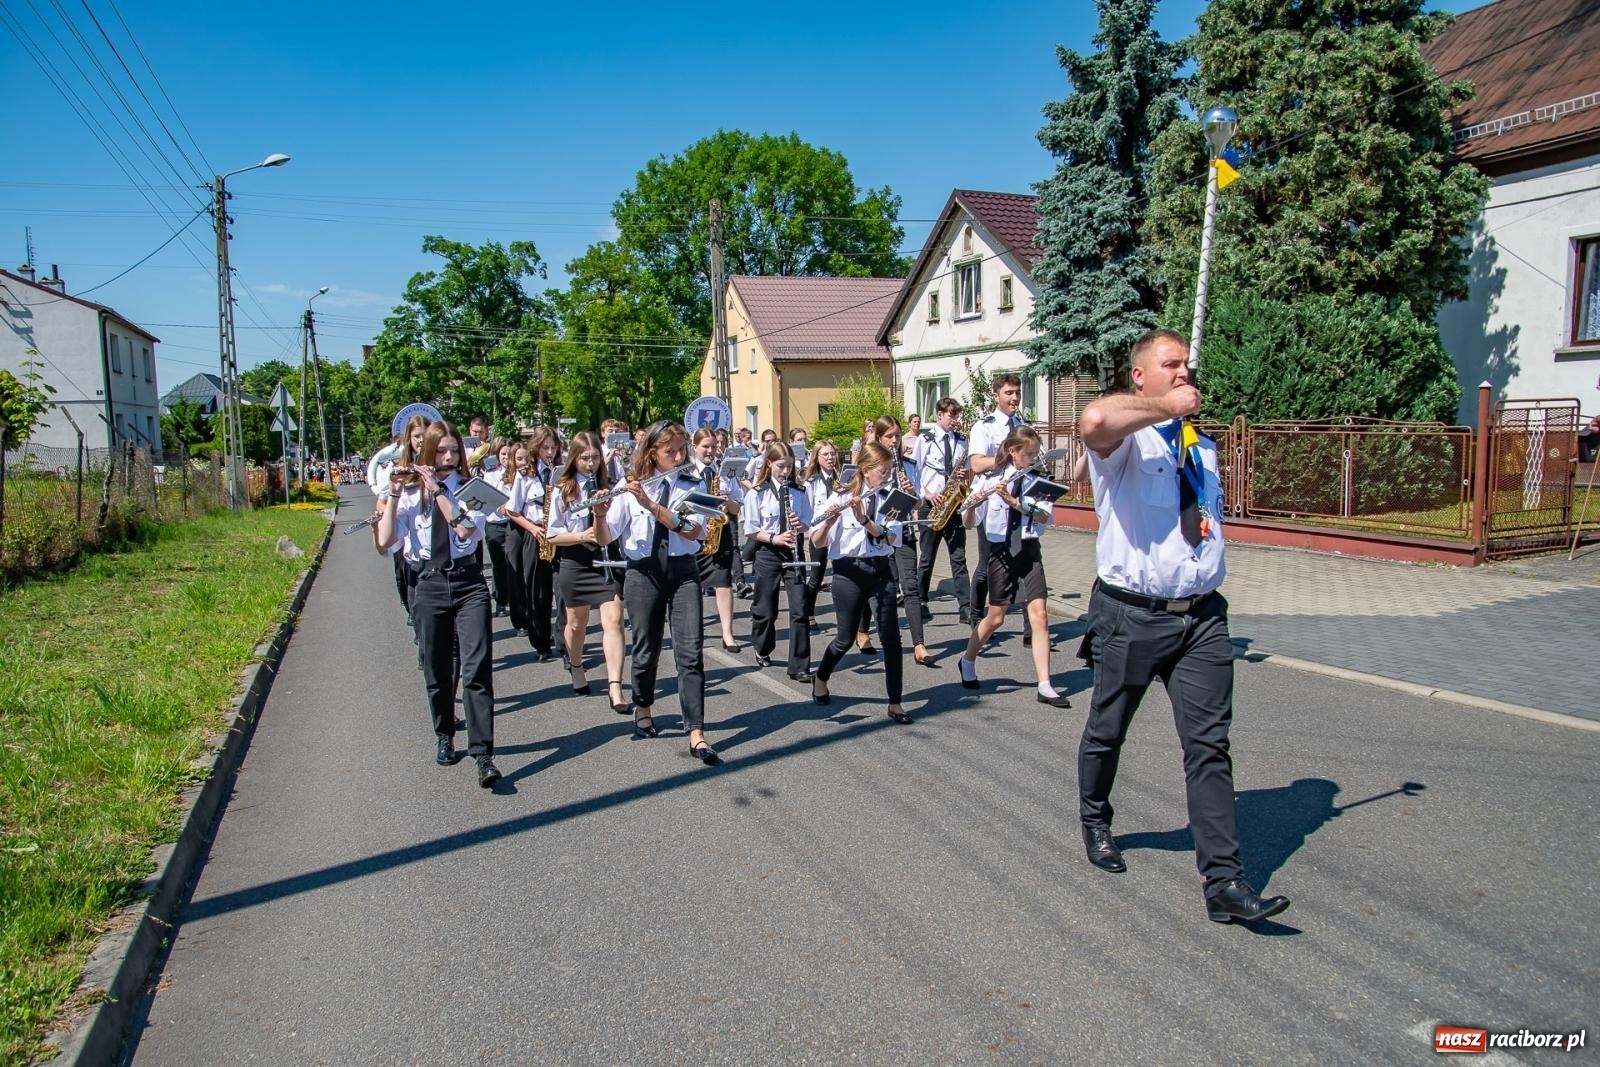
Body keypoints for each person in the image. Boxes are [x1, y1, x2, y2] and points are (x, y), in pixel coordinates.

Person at [1074, 328, 1289, 924]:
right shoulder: (1125, 443)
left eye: (1187, 366)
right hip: (1130, 614)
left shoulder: (1200, 444)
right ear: (1140, 376)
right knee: (1107, 728)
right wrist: (1166, 409)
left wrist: (1180, 420)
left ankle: (1224, 883)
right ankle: (1095, 817)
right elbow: (1093, 418)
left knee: (1208, 748)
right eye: (1171, 365)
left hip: (1200, 617)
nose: (1184, 373)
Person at [376, 421, 500, 788]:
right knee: (438, 669)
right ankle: (445, 733)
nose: (448, 458)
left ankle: (483, 754)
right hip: (429, 583)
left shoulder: (472, 489)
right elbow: (385, 541)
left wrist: (441, 491)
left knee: (476, 668)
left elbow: (464, 530)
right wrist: (395, 494)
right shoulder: (410, 495)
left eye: (454, 451)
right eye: (441, 452)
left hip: (469, 582)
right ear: (425, 453)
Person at [602, 420, 719, 762]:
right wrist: (598, 513)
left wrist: (652, 507)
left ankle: (696, 731)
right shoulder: (629, 486)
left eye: (682, 449)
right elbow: (606, 537)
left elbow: (693, 532)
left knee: (690, 651)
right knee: (646, 649)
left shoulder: (693, 483)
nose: (680, 455)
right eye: (671, 451)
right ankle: (643, 706)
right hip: (643, 572)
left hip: (682, 571)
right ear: (652, 452)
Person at [955, 425, 1069, 706]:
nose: (1033, 458)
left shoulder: (1039, 480)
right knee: (996, 618)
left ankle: (1045, 684)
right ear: (1012, 451)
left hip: (1028, 550)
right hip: (1000, 553)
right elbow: (969, 523)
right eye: (1028, 453)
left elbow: (1043, 517)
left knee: (1039, 615)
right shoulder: (990, 478)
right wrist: (971, 504)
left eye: (1035, 453)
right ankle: (967, 660)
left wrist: (1016, 503)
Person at [808, 443, 911, 724]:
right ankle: (821, 677)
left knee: (891, 637)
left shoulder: (894, 498)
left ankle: (895, 702)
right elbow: (816, 541)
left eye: (890, 470)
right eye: (883, 471)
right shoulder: (841, 495)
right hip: (849, 571)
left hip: (882, 569)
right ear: (866, 470)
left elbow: (893, 539)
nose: (888, 476)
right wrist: (829, 523)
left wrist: (865, 520)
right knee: (844, 638)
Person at [545, 431, 630, 711]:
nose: (590, 463)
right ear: (574, 459)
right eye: (584, 458)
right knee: (576, 624)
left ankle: (614, 686)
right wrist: (582, 536)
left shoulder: (610, 485)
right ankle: (577, 664)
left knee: (614, 620)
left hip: (606, 558)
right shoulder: (564, 489)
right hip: (575, 560)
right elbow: (553, 535)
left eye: (594, 457)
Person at [742, 442, 813, 681]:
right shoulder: (757, 493)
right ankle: (762, 647)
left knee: (800, 610)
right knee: (765, 609)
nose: (785, 471)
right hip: (767, 552)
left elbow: (807, 523)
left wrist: (798, 524)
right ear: (769, 464)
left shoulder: (799, 491)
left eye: (789, 466)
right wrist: (774, 537)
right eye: (781, 466)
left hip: (793, 551)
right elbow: (751, 530)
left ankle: (800, 666)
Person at [873, 415, 933, 668]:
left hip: (903, 532)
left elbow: (919, 503)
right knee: (878, 589)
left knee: (911, 587)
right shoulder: (872, 466)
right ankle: (872, 633)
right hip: (877, 534)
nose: (895, 441)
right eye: (889, 436)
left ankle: (919, 643)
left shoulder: (908, 465)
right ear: (879, 438)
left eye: (897, 435)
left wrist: (911, 492)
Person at [506, 426, 562, 660]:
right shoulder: (525, 474)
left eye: (553, 447)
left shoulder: (562, 470)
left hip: (559, 532)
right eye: (545, 448)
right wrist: (533, 528)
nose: (549, 452)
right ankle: (541, 642)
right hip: (535, 531)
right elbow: (512, 510)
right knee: (537, 590)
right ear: (536, 448)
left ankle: (563, 638)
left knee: (561, 589)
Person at [689, 427, 744, 653]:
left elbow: (737, 506)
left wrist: (726, 501)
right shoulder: (687, 471)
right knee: (691, 585)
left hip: (719, 532)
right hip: (693, 534)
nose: (710, 451)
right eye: (706, 447)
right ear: (695, 448)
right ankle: (693, 632)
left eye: (714, 446)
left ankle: (727, 634)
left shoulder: (724, 472)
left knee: (724, 582)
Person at [918, 397, 972, 624]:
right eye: (951, 415)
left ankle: (966, 607)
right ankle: (920, 601)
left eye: (956, 415)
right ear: (939, 414)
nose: (954, 420)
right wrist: (928, 494)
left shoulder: (961, 441)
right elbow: (916, 472)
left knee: (959, 558)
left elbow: (969, 472)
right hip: (932, 505)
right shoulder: (926, 439)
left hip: (954, 505)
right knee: (927, 558)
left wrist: (964, 478)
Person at [482, 438, 518, 617]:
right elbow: (490, 496)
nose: (506, 457)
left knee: (514, 564)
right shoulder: (491, 473)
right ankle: (501, 600)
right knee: (499, 565)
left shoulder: (518, 471)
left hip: (512, 523)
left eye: (509, 454)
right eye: (503, 454)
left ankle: (515, 600)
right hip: (495, 524)